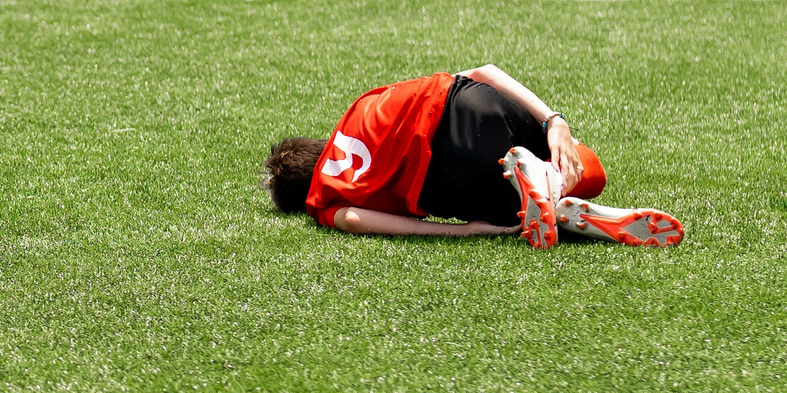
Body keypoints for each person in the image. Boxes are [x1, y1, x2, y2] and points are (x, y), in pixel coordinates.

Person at [266, 64, 683, 248]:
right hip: (467, 104)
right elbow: (484, 71)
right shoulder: (358, 109)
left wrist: (462, 231)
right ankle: (551, 183)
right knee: (585, 164)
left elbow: (355, 219)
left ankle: (545, 194)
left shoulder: (324, 198)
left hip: (446, 174)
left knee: (513, 219)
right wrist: (554, 121)